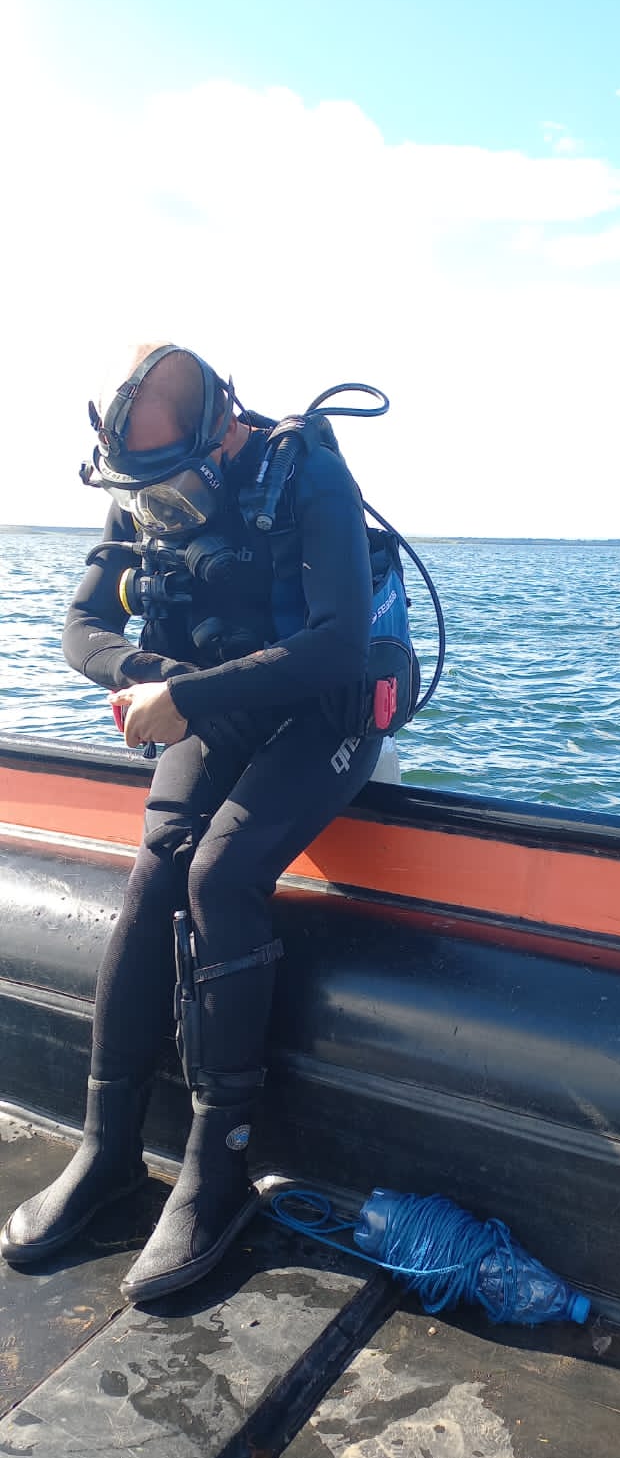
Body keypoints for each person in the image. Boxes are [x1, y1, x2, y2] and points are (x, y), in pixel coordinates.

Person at [0, 343, 384, 1301]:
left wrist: (191, 700)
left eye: (170, 492)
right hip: (213, 699)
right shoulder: (138, 487)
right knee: (159, 863)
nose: (155, 510)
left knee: (222, 874)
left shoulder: (307, 475)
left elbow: (340, 644)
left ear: (220, 438)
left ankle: (220, 1169)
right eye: (141, 495)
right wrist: (154, 681)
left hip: (326, 708)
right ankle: (108, 1150)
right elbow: (82, 626)